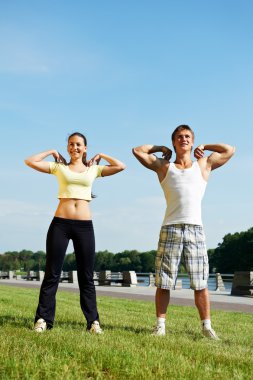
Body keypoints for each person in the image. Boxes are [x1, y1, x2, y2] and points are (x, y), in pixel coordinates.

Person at [132, 125, 235, 339]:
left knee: (200, 282)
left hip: (195, 229)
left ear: (192, 140)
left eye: (187, 136)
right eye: (179, 137)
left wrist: (206, 146)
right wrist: (160, 147)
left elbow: (229, 150)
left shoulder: (203, 165)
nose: (184, 139)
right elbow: (137, 151)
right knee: (163, 281)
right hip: (170, 228)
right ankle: (160, 326)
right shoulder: (164, 167)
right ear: (174, 142)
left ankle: (206, 327)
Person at [25, 132, 126, 334]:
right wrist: (52, 151)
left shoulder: (94, 170)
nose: (74, 148)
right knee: (52, 273)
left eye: (79, 144)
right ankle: (43, 320)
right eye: (71, 144)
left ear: (85, 148)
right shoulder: (59, 167)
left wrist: (101, 155)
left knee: (86, 276)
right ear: (68, 147)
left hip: (84, 226)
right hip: (60, 225)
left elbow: (121, 166)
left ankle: (93, 322)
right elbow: (29, 161)